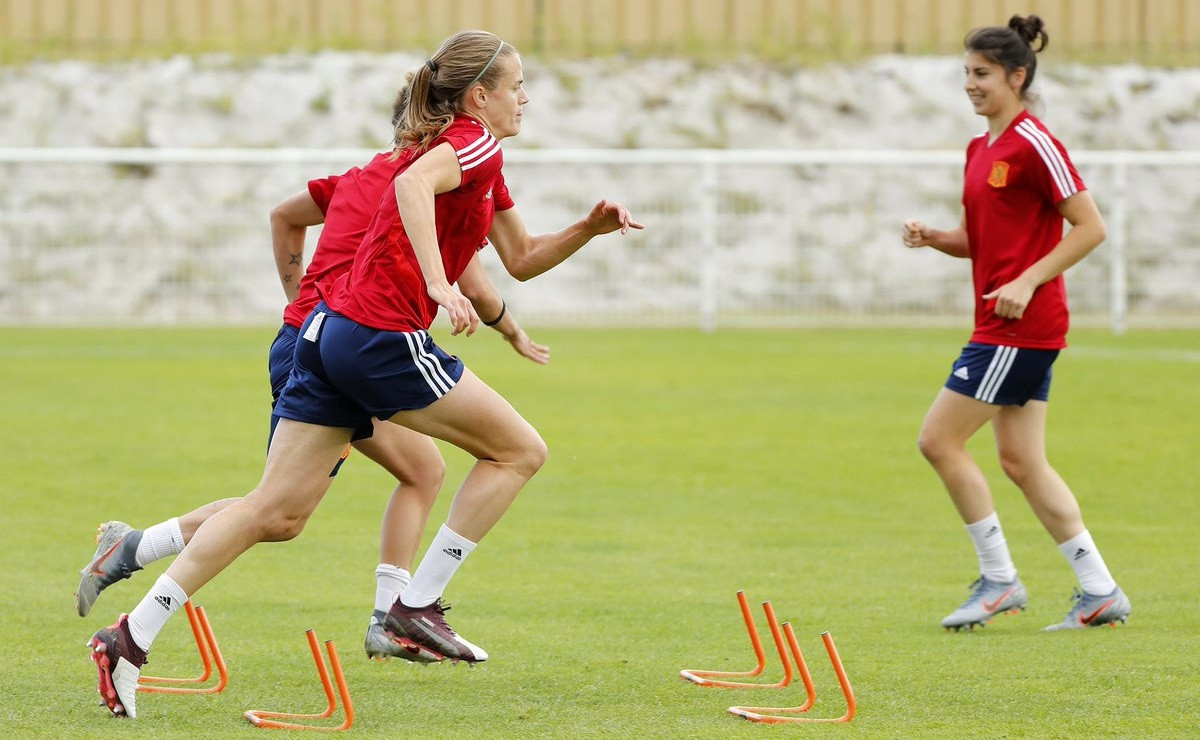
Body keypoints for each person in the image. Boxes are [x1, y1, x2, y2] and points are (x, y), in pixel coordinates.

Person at [87, 28, 643, 719]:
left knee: (273, 511)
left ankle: (128, 639)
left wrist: (587, 229)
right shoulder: (471, 141)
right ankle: (416, 605)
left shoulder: (482, 163)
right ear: (479, 97)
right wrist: (440, 287)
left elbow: (523, 257)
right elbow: (412, 185)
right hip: (378, 336)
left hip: (324, 335)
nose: (526, 97)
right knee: (519, 450)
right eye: (518, 85)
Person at [75, 128, 549, 665]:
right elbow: (480, 286)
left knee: (351, 492)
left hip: (317, 338)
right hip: (344, 346)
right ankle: (395, 617)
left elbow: (284, 215)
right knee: (278, 510)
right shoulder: (419, 188)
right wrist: (509, 329)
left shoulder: (361, 179)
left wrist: (298, 298)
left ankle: (390, 620)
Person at [901, 14, 1130, 633]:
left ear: (1017, 76)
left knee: (938, 441)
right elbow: (983, 240)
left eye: (982, 74)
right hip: (1001, 325)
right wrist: (936, 239)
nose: (970, 85)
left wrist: (1028, 280)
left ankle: (999, 581)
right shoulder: (981, 149)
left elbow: (1090, 227)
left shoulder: (1036, 142)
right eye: (966, 74)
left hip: (1018, 328)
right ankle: (1099, 590)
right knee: (1023, 463)